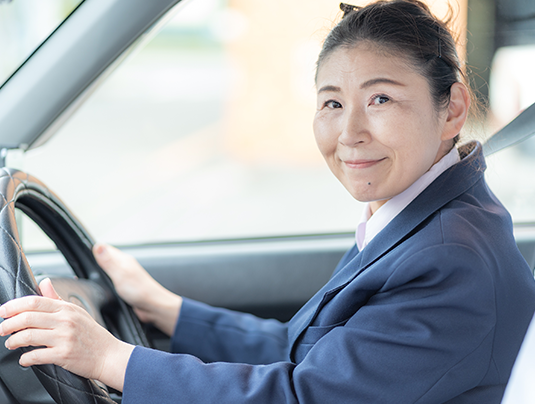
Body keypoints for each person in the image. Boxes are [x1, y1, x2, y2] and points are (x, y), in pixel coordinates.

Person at [1, 1, 535, 402]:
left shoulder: (450, 259)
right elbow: (309, 353)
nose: (349, 131)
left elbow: (304, 396)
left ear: (451, 109)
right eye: (331, 101)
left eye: (380, 99)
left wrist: (112, 358)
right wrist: (168, 309)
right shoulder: (416, 217)